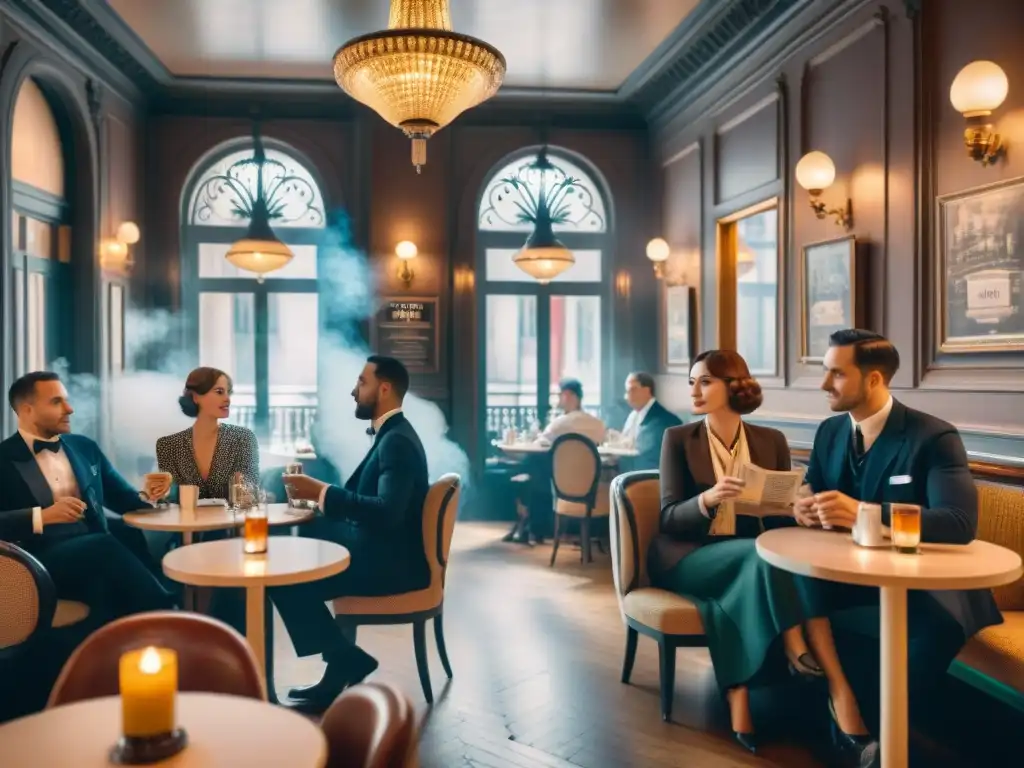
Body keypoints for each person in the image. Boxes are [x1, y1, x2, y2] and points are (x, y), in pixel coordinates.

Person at [795, 329, 1001, 767]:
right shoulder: (830, 431)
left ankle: (888, 743)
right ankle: (842, 712)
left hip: (929, 587)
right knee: (786, 585)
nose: (823, 383)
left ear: (873, 380)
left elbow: (959, 523)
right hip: (855, 578)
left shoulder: (934, 437)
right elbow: (812, 483)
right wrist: (804, 504)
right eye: (824, 371)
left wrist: (867, 512)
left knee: (934, 631)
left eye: (836, 373)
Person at [652, 350, 870, 756]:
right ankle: (794, 643)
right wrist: (708, 498)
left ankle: (743, 695)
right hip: (689, 557)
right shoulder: (678, 438)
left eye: (705, 382)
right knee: (760, 556)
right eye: (692, 382)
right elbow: (667, 518)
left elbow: (782, 512)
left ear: (732, 387)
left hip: (750, 555)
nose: (694, 391)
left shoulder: (771, 441)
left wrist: (796, 507)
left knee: (761, 562)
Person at [251, 355, 429, 711]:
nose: (353, 390)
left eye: (361, 383)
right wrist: (319, 502)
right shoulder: (394, 435)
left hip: (390, 567)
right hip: (384, 553)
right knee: (304, 540)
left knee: (279, 577)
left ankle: (344, 658)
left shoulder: (396, 442)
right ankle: (336, 674)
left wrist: (320, 492)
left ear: (384, 388)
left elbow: (386, 513)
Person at [0, 372, 176, 625]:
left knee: (126, 534)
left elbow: (121, 497)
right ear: (27, 410)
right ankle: (169, 611)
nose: (70, 409)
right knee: (102, 547)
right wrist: (42, 516)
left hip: (91, 548)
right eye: (56, 402)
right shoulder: (3, 459)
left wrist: (152, 495)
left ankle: (141, 628)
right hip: (39, 558)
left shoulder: (85, 447)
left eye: (67, 400)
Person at [151, 367, 259, 502]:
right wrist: (156, 493)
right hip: (186, 522)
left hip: (232, 521)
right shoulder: (168, 445)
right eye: (219, 392)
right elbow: (167, 500)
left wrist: (245, 489)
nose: (227, 399)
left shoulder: (243, 438)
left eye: (228, 393)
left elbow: (252, 492)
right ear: (196, 397)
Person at [617, 371, 681, 471]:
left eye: (632, 390)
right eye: (627, 391)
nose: (627, 395)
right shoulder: (633, 416)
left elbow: (650, 455)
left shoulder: (664, 420)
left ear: (646, 391)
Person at [540, 378, 606, 445]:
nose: (558, 397)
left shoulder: (559, 424)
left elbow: (540, 442)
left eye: (560, 394)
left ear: (567, 396)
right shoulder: (598, 424)